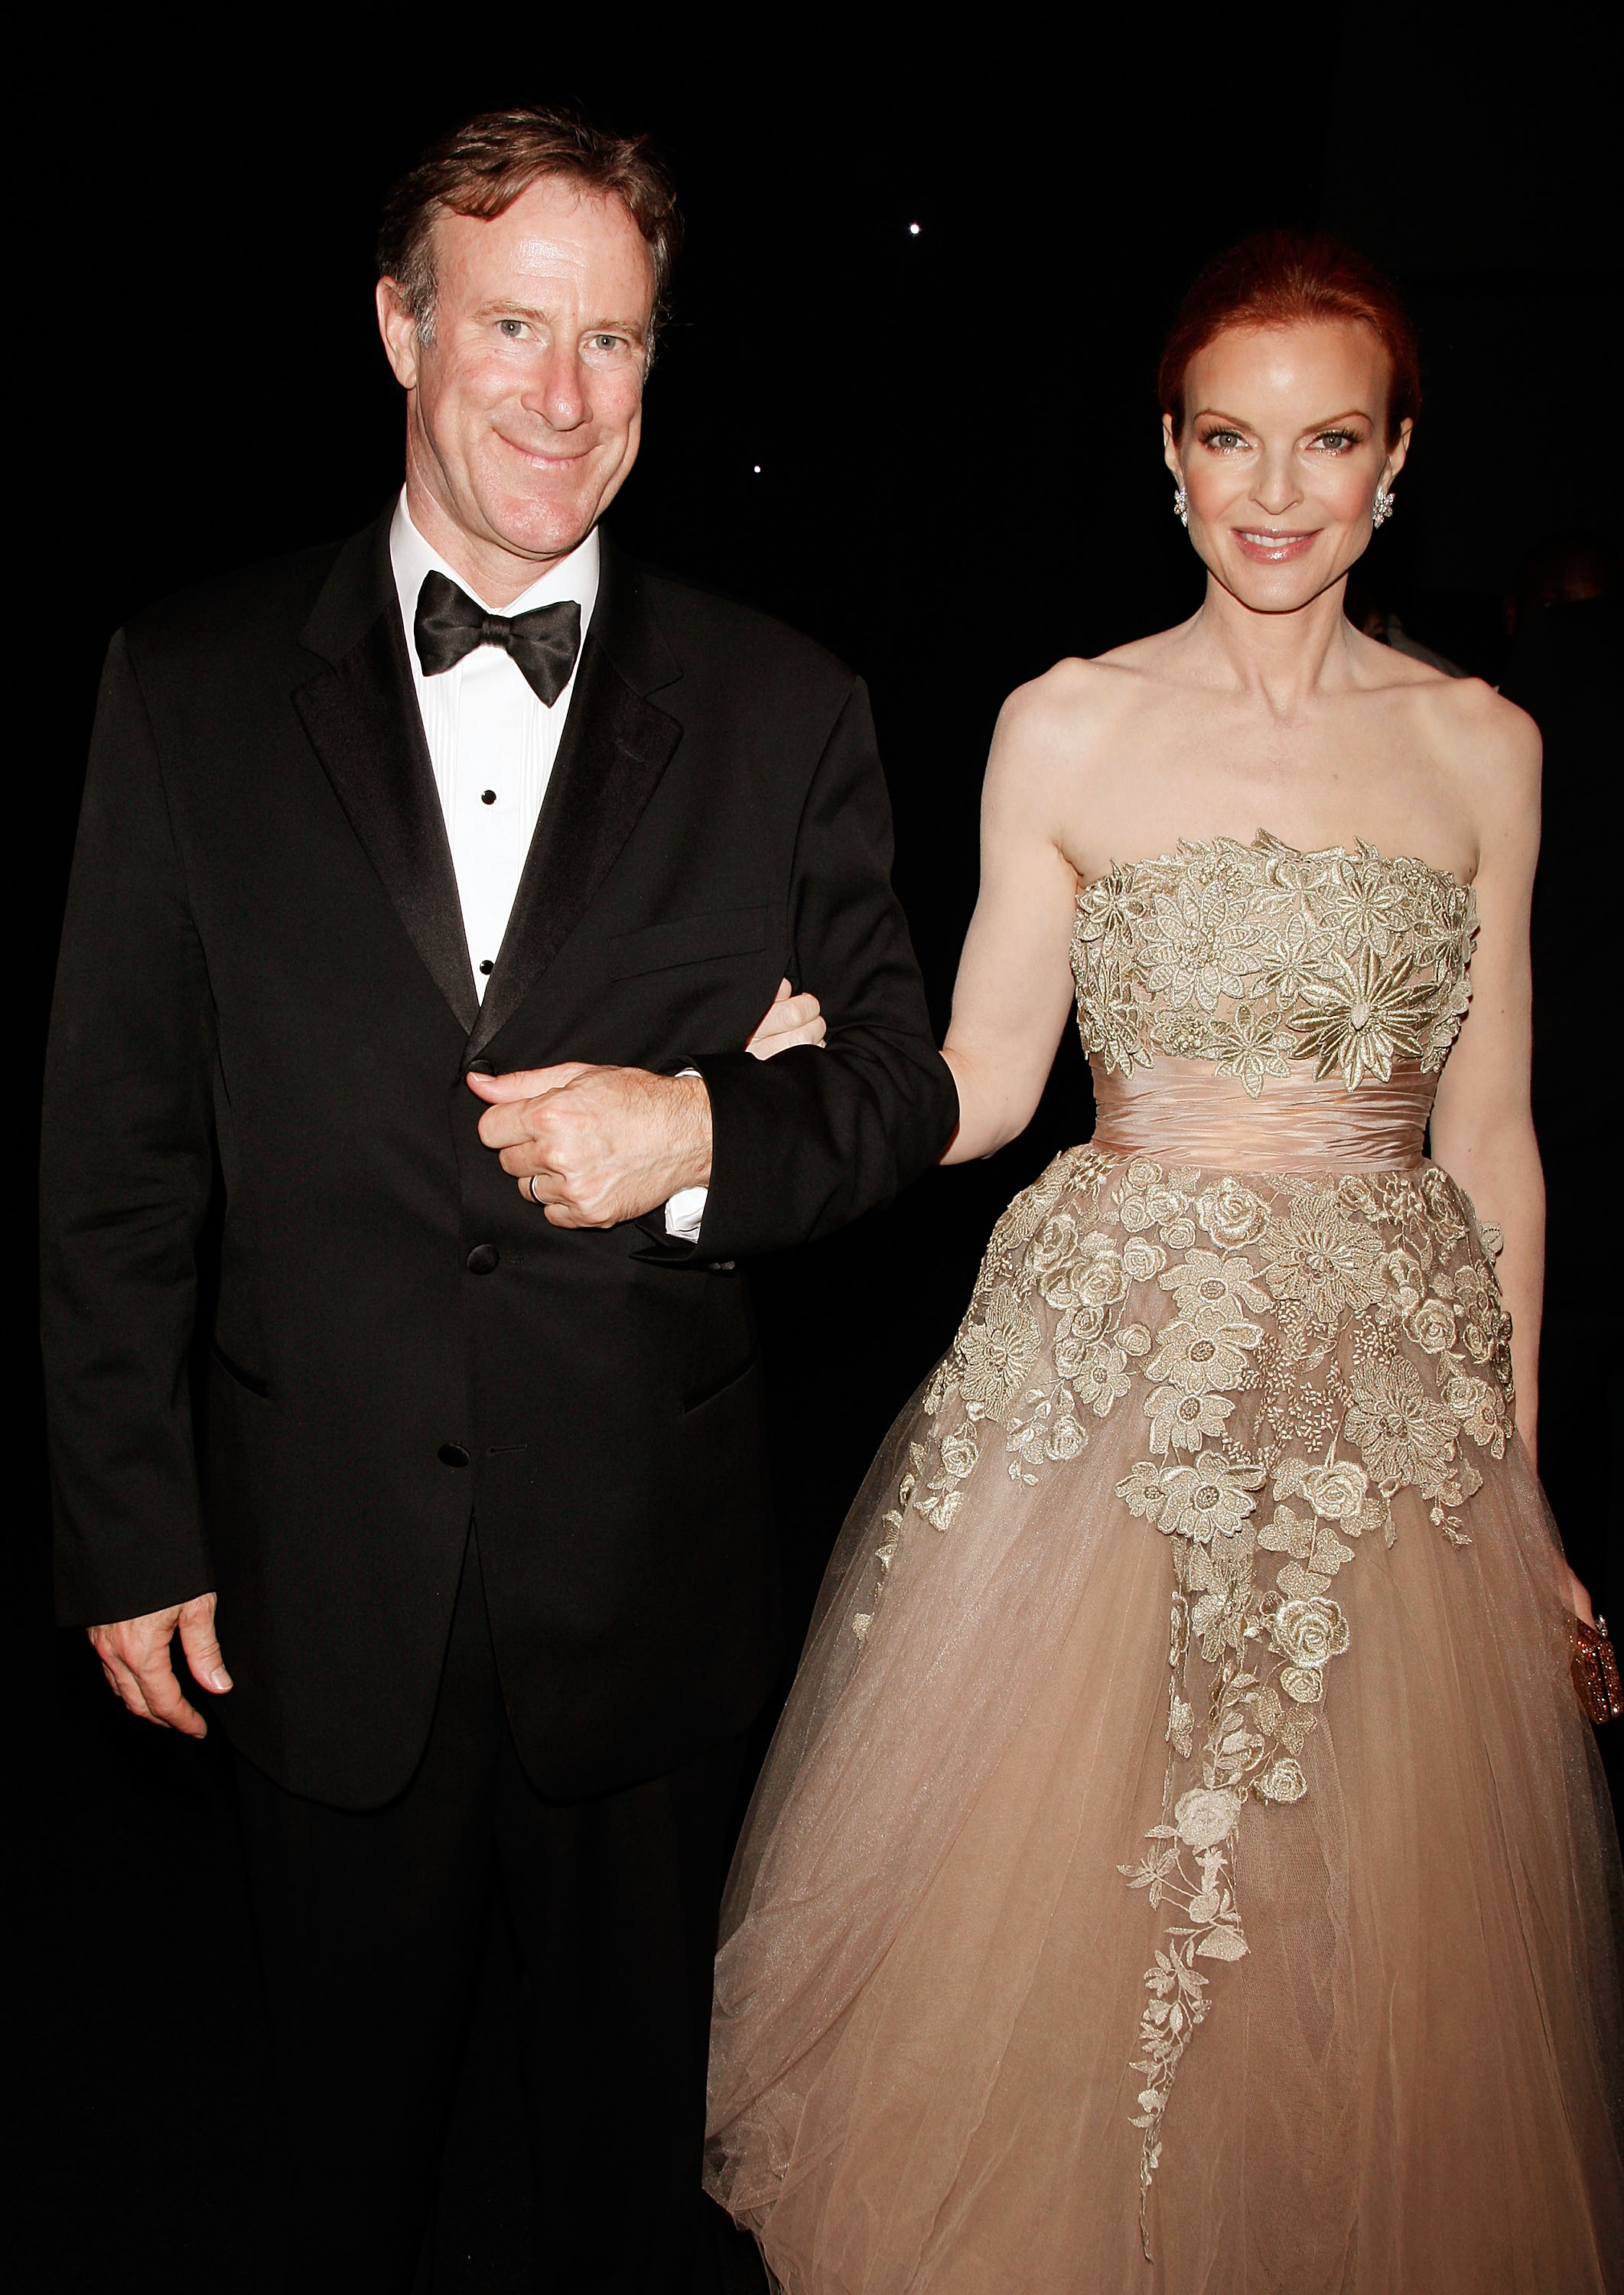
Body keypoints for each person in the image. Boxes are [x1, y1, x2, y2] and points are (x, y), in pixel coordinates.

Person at [41, 105, 956, 2294]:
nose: (564, 395)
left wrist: (698, 1136)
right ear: (397, 329)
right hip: (310, 1559)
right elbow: (115, 1149)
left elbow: (903, 1092)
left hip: (645, 1584)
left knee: (631, 2176)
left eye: (615, 341)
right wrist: (130, 1522)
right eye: (514, 326)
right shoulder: (181, 686)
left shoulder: (783, 702)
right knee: (336, 2151)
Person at [705, 232, 1624, 2293]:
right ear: (1170, 457)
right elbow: (985, 1078)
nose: (1275, 488)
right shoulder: (1063, 725)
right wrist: (801, 1079)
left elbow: (1490, 1141)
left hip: (1387, 1415)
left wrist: (1522, 1470)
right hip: (1112, 1386)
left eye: (1324, 441)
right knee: (1077, 1897)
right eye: (1230, 438)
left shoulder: (1484, 747)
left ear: (1395, 462)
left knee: (1355, 1926)